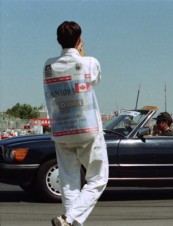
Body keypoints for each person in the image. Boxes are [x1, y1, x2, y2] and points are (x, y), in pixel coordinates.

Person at [43, 21, 109, 226]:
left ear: (57, 40)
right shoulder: (89, 62)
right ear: (79, 40)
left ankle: (68, 221)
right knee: (98, 179)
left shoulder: (48, 65)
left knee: (69, 182)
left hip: (61, 130)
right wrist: (81, 54)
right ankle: (70, 218)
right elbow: (95, 80)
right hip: (88, 129)